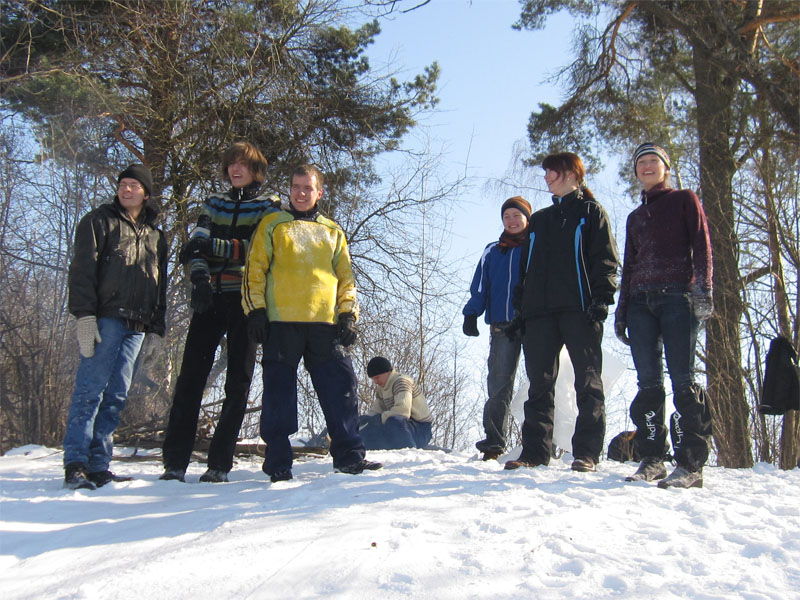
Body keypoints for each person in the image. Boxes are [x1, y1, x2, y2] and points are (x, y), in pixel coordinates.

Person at [242, 164, 382, 482]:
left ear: (319, 193)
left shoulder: (332, 231)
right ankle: (278, 462)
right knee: (279, 394)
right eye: (296, 187)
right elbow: (255, 269)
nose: (301, 193)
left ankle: (349, 456)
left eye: (308, 188)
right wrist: (256, 311)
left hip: (325, 324)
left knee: (342, 387)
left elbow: (346, 278)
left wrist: (348, 314)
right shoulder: (273, 224)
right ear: (290, 189)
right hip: (281, 322)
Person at [160, 142, 281, 483]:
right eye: (231, 164)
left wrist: (211, 246)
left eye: (243, 164)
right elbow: (195, 245)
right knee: (189, 379)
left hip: (245, 300)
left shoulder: (268, 206)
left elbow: (257, 249)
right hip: (209, 298)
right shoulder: (214, 202)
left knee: (238, 383)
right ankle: (175, 462)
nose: (235, 169)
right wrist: (199, 279)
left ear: (255, 169)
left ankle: (219, 463)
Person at [505, 152, 619, 473]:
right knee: (538, 385)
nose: (546, 178)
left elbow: (606, 260)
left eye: (551, 172)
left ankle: (586, 453)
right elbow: (525, 268)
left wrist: (601, 300)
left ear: (571, 174)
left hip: (579, 310)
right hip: (538, 313)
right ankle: (534, 452)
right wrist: (520, 310)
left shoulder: (591, 212)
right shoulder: (540, 220)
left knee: (588, 382)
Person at [63, 164, 168, 490]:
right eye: (123, 184)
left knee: (117, 395)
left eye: (134, 185)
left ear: (146, 193)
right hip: (106, 318)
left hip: (137, 325)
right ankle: (76, 463)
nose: (126, 189)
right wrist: (84, 315)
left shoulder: (156, 235)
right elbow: (82, 270)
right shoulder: (98, 221)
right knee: (90, 391)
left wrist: (156, 329)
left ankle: (99, 464)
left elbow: (160, 285)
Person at [615, 143, 713, 489]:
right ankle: (653, 458)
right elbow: (629, 266)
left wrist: (703, 290)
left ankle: (690, 464)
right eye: (641, 162)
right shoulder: (635, 218)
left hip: (677, 299)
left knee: (683, 382)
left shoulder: (684, 200)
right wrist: (622, 311)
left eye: (653, 161)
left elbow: (701, 244)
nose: (647, 166)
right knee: (648, 385)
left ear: (665, 168)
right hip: (640, 303)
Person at [462, 196, 531, 461]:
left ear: (527, 218)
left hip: (534, 323)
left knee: (540, 384)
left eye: (517, 216)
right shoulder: (492, 250)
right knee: (499, 385)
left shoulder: (536, 246)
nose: (512, 221)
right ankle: (493, 442)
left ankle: (536, 443)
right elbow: (480, 286)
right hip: (502, 326)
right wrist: (471, 314)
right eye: (506, 217)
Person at [360, 357, 433, 450]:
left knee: (393, 421)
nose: (376, 382)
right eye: (373, 379)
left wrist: (378, 419)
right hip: (401, 427)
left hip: (420, 429)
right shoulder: (382, 388)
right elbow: (376, 410)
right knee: (366, 432)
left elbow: (402, 411)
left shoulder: (402, 382)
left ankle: (409, 451)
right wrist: (364, 420)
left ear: (387, 372)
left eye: (377, 377)